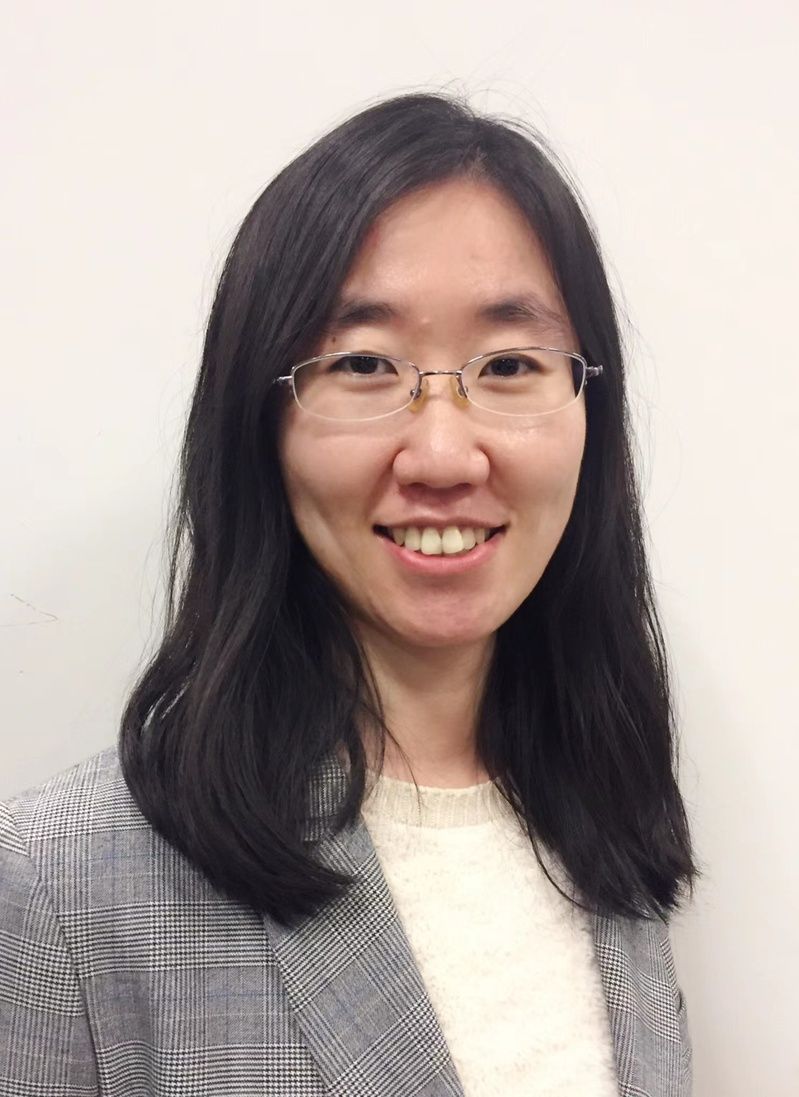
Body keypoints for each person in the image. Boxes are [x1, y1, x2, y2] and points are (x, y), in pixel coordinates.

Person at [0, 92, 699, 1096]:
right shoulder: (62, 884)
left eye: (510, 363)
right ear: (259, 421)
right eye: (365, 364)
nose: (445, 454)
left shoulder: (608, 822)